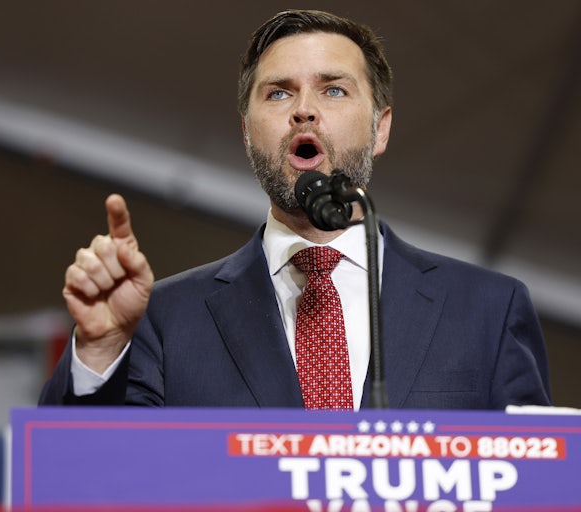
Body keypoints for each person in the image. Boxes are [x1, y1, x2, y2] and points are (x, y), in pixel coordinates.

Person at [39, 9, 551, 409]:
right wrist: (102, 351)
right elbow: (86, 479)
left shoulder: (487, 310)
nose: (304, 109)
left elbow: (537, 490)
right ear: (247, 133)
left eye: (332, 89)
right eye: (279, 92)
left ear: (381, 128)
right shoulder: (163, 320)